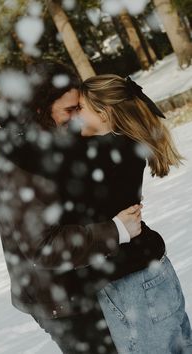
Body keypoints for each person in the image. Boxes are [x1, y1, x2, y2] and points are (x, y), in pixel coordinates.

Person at [0, 61, 165, 353]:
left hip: (81, 282)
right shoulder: (19, 166)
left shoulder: (40, 139)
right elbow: (42, 246)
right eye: (69, 110)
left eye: (78, 108)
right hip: (62, 303)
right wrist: (115, 230)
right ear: (39, 109)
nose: (76, 119)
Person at [75, 73, 192, 353]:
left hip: (134, 285)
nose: (73, 117)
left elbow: (48, 154)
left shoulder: (107, 151)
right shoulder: (122, 146)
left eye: (80, 109)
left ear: (103, 114)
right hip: (148, 275)